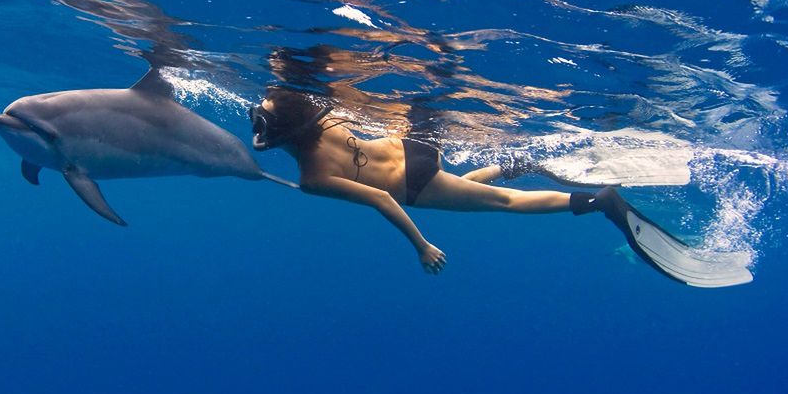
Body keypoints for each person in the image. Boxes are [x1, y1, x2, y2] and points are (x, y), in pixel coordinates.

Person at [249, 88, 610, 275]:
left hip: (413, 183)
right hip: (413, 146)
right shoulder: (325, 122)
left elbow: (382, 200)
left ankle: (596, 201)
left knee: (504, 202)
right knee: (461, 187)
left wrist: (421, 246)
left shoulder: (314, 177)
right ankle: (509, 164)